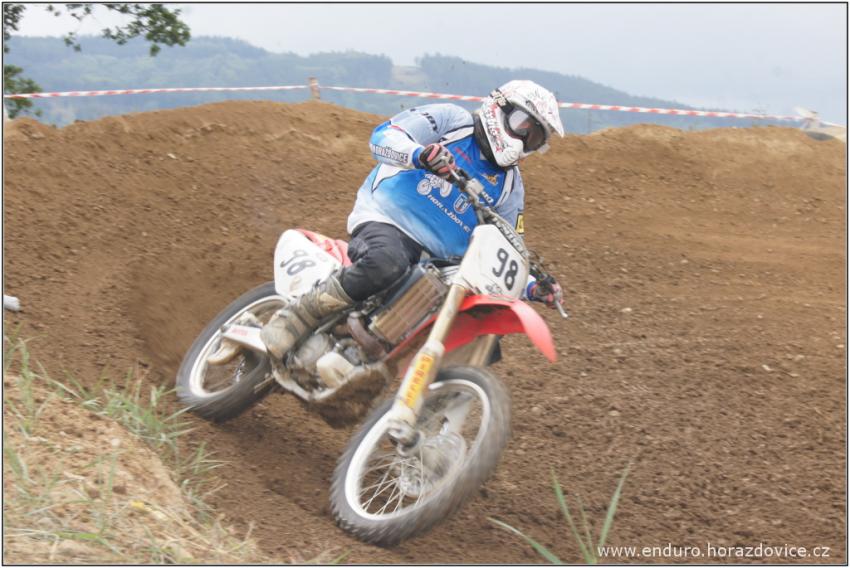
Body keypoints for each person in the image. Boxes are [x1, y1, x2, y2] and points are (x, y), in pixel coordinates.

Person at [260, 80, 565, 360]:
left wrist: (532, 286)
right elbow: (384, 136)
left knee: (481, 329)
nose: (524, 140)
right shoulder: (452, 121)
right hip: (387, 220)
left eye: (534, 138)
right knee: (387, 262)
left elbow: (507, 247)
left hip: (439, 264)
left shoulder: (511, 188)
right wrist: (419, 155)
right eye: (522, 126)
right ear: (499, 107)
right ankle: (297, 316)